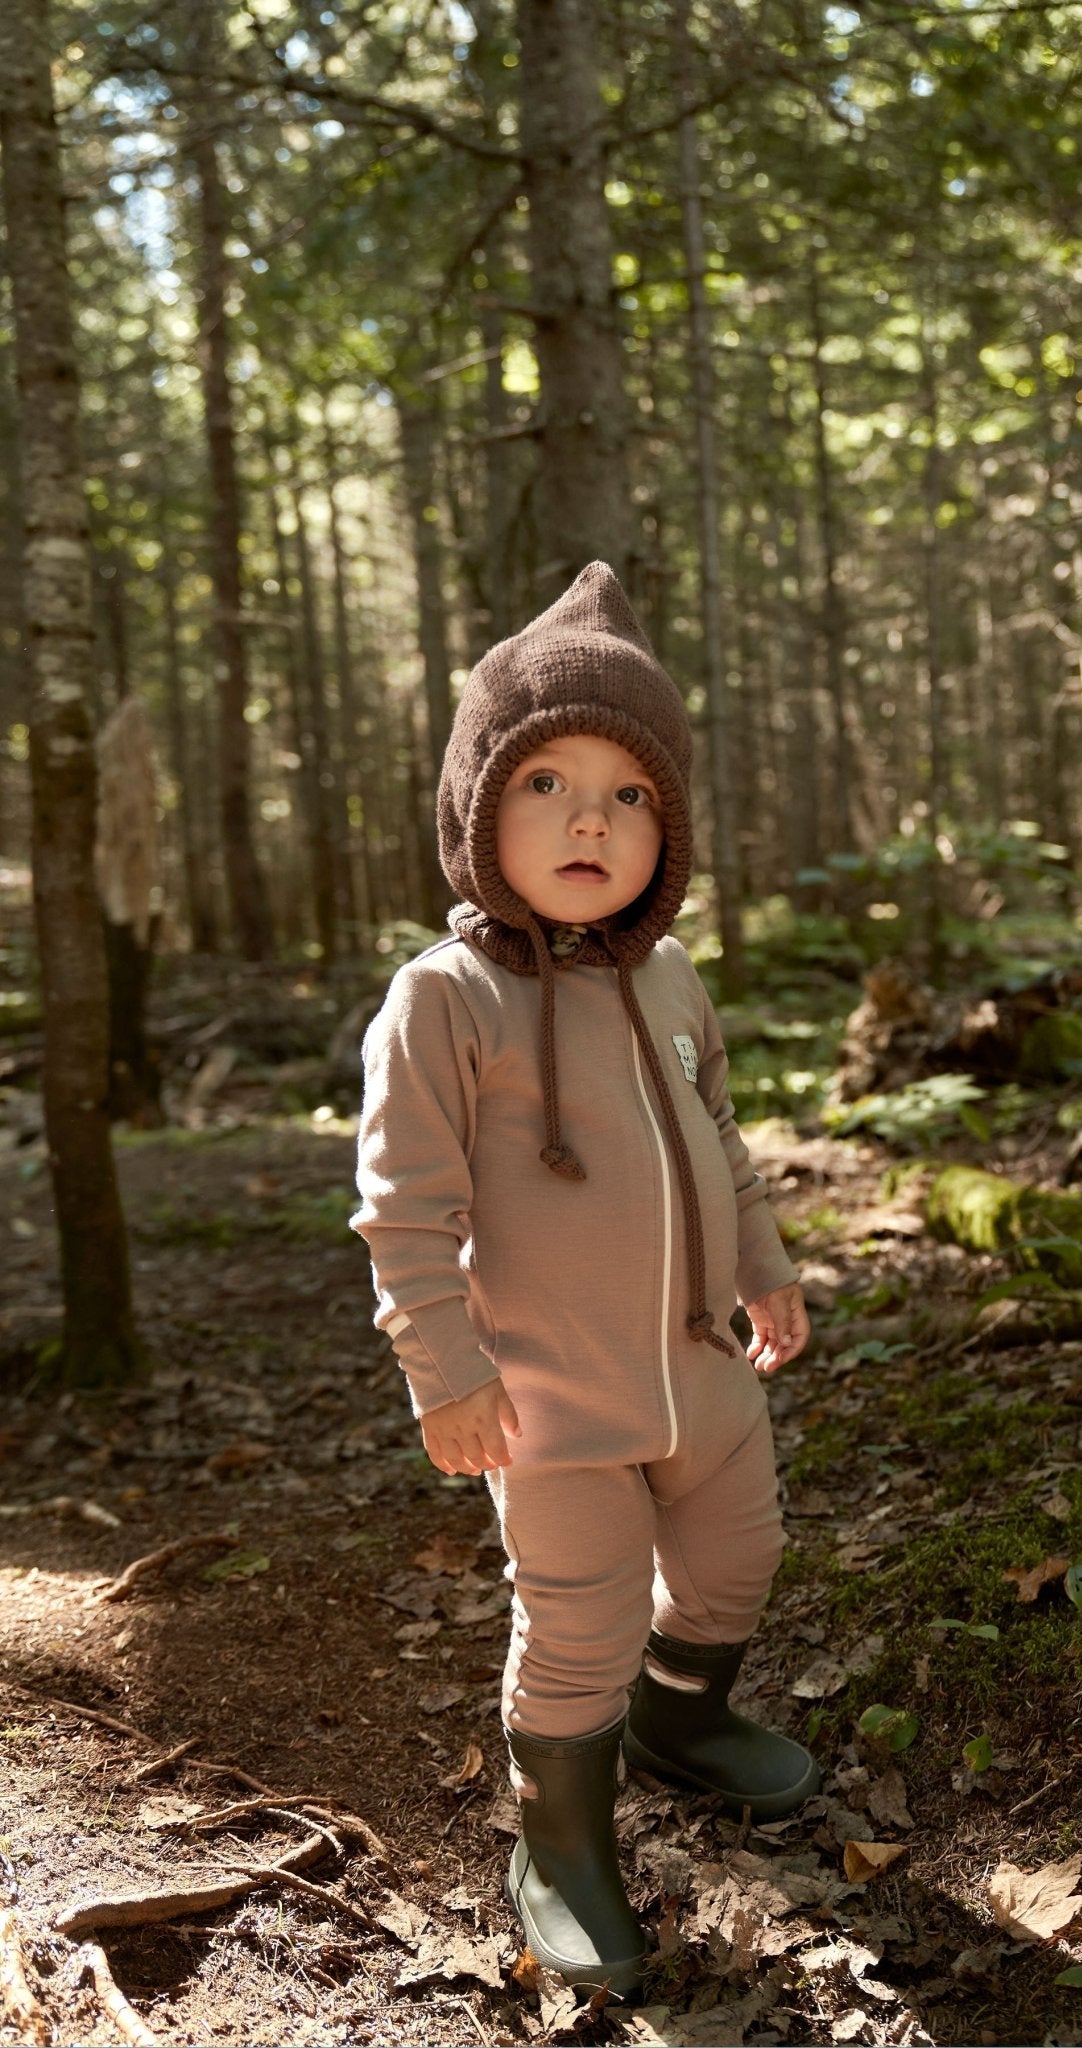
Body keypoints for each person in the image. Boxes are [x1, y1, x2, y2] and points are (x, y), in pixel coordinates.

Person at [352, 562, 818, 1999]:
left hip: (697, 1370)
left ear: (663, 835)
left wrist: (765, 1265)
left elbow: (718, 1140)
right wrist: (447, 1371)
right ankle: (557, 1842)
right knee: (580, 1619)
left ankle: (684, 1723)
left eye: (627, 796)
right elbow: (402, 1210)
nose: (588, 820)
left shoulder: (670, 977)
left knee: (739, 1560)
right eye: (545, 782)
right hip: (547, 1399)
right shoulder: (446, 998)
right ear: (477, 809)